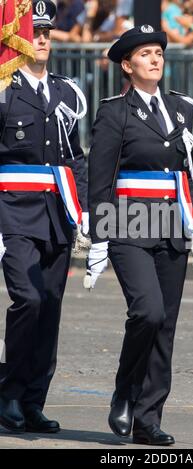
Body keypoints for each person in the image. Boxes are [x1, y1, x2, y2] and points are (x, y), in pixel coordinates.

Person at [86, 25, 193, 445]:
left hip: (172, 225)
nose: (155, 59)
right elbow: (100, 178)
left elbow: (187, 173)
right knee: (148, 312)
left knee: (165, 326)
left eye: (158, 52)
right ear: (127, 65)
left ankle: (148, 417)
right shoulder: (115, 112)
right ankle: (125, 391)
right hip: (129, 225)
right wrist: (99, 237)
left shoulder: (179, 109)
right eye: (145, 54)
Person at [0, 0, 88, 434]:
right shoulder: (1, 88)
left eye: (46, 32)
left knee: (50, 308)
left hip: (58, 212)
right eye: (33, 31)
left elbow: (75, 157)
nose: (40, 39)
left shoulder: (67, 92)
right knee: (28, 299)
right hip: (13, 210)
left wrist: (88, 211)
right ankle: (10, 392)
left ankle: (34, 399)